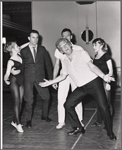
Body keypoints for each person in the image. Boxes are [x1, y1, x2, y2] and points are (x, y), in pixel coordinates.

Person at [39, 38, 117, 140]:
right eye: (62, 47)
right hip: (82, 87)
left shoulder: (81, 53)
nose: (65, 47)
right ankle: (78, 127)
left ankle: (110, 132)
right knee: (68, 105)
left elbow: (92, 66)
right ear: (60, 51)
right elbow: (63, 75)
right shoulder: (65, 61)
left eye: (66, 44)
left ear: (70, 44)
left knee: (104, 107)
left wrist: (103, 76)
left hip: (94, 83)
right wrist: (50, 82)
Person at [11, 30, 53, 128]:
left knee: (46, 97)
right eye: (33, 37)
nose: (35, 39)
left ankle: (44, 116)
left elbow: (48, 64)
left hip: (40, 78)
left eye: (37, 37)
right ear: (29, 38)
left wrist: (51, 80)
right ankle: (28, 120)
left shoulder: (42, 49)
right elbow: (19, 63)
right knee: (29, 100)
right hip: (28, 78)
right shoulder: (23, 51)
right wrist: (13, 70)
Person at [52, 28, 84, 129]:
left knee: (77, 99)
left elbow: (84, 64)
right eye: (63, 36)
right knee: (61, 98)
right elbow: (57, 65)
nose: (66, 37)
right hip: (64, 76)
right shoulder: (59, 50)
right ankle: (61, 121)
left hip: (76, 76)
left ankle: (79, 120)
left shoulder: (79, 48)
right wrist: (53, 79)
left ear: (71, 37)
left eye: (67, 35)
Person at [4, 41, 28, 132]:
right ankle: (18, 124)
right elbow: (6, 75)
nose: (19, 47)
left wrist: (30, 42)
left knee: (21, 102)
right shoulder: (10, 61)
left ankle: (14, 121)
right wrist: (6, 78)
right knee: (17, 101)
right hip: (14, 81)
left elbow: (22, 46)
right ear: (13, 49)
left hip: (22, 80)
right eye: (17, 46)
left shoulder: (19, 54)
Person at [91, 38, 114, 129]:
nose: (93, 47)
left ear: (101, 45)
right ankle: (99, 121)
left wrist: (108, 82)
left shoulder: (106, 56)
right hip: (97, 82)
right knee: (98, 102)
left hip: (105, 81)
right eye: (93, 45)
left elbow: (111, 71)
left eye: (95, 45)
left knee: (107, 103)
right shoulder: (95, 55)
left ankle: (108, 123)